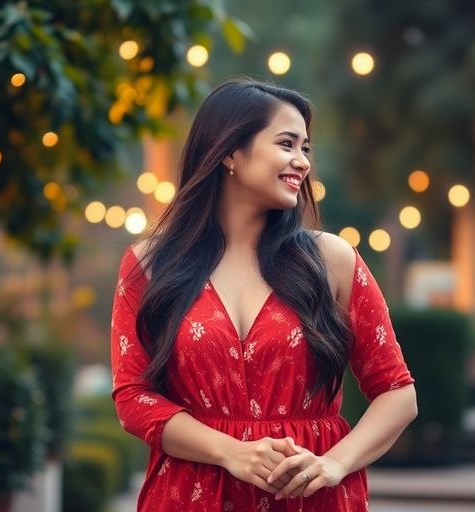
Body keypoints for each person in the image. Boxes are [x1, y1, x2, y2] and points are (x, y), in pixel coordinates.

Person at [110, 78, 417, 511]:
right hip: (191, 495)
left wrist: (334, 464)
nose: (303, 162)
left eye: (306, 149)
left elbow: (398, 392)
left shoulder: (331, 259)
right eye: (287, 144)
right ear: (230, 152)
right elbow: (133, 398)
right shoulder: (149, 265)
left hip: (310, 498)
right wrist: (230, 452)